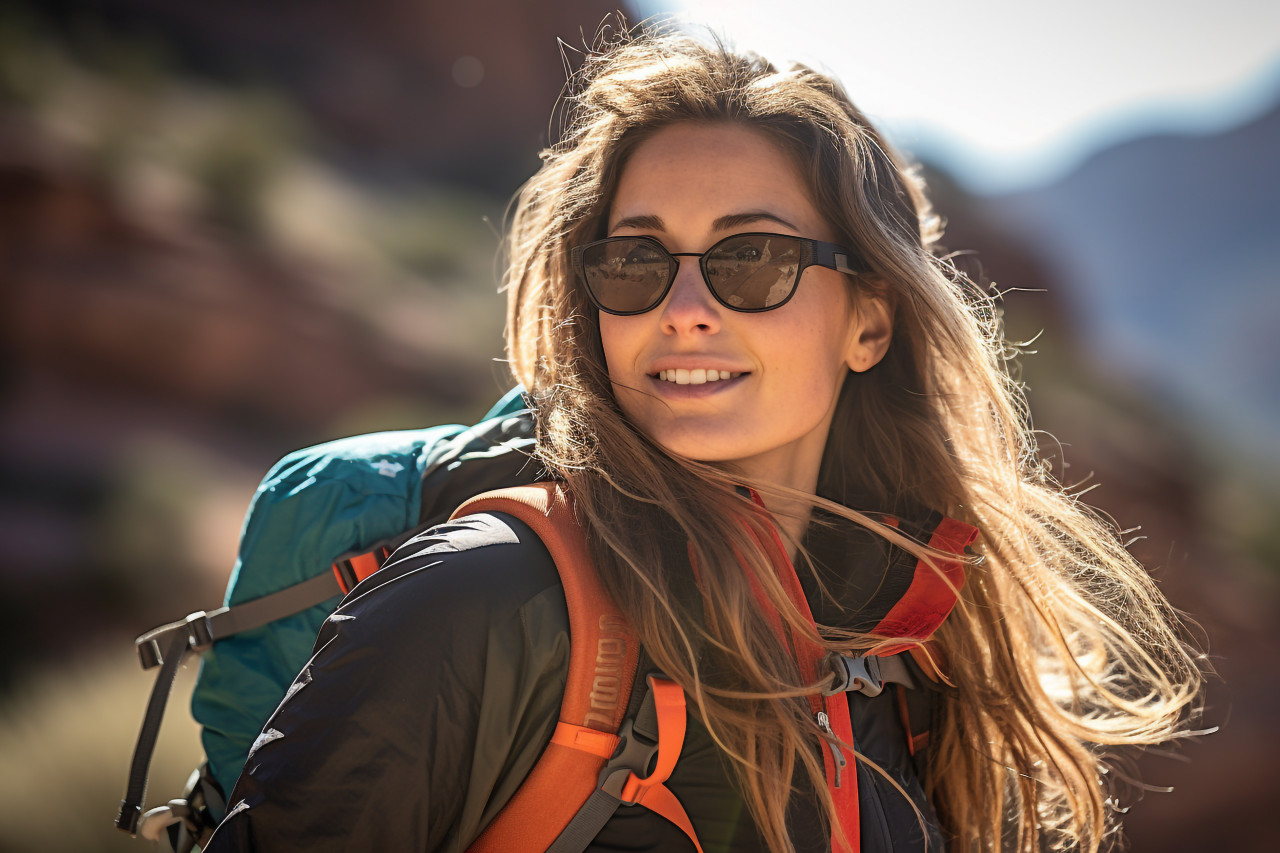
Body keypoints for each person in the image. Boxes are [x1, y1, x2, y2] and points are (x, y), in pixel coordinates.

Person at [204, 22, 1204, 853]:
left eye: (751, 259)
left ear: (870, 319)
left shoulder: (903, 648)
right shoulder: (478, 598)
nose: (682, 309)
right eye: (635, 262)